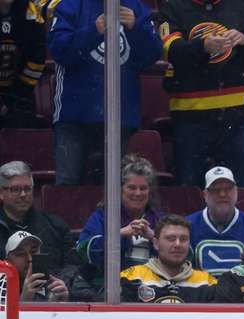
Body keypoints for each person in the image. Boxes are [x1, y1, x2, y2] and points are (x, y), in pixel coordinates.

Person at [158, 0, 244, 187]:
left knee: (241, 186)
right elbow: (168, 49)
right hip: (190, 116)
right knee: (190, 187)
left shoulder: (241, 6)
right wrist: (202, 46)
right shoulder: (173, 7)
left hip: (235, 115)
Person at [47, 0, 161, 184]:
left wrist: (136, 28)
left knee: (113, 190)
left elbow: (152, 55)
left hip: (119, 118)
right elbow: (59, 50)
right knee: (67, 188)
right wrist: (94, 31)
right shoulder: (70, 5)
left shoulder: (137, 8)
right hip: (74, 117)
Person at [76, 155, 164, 294]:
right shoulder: (103, 216)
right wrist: (120, 234)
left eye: (143, 188)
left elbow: (184, 256)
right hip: (110, 292)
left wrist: (154, 237)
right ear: (119, 189)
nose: (138, 193)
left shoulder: (160, 219)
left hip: (156, 291)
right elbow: (83, 252)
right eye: (132, 187)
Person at [0, 161, 77, 275]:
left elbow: (74, 266)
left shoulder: (56, 226)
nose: (23, 195)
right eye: (15, 189)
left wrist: (61, 283)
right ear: (1, 193)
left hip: (52, 290)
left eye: (27, 189)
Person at [120, 214, 217, 303]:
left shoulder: (207, 282)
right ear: (156, 244)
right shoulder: (131, 278)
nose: (177, 244)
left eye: (183, 239)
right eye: (171, 239)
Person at [186, 166, 244, 276]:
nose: (222, 194)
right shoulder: (188, 225)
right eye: (216, 190)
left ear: (236, 191)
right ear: (205, 195)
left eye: (228, 189)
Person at [0, 0, 47, 128]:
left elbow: (37, 58)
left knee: (23, 138)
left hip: (19, 93)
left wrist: (14, 99)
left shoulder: (31, 13)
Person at [3, 231, 69, 301]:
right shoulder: (2, 287)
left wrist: (63, 302)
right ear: (8, 262)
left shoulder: (52, 282)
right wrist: (24, 301)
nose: (29, 259)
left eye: (33, 251)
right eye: (21, 254)